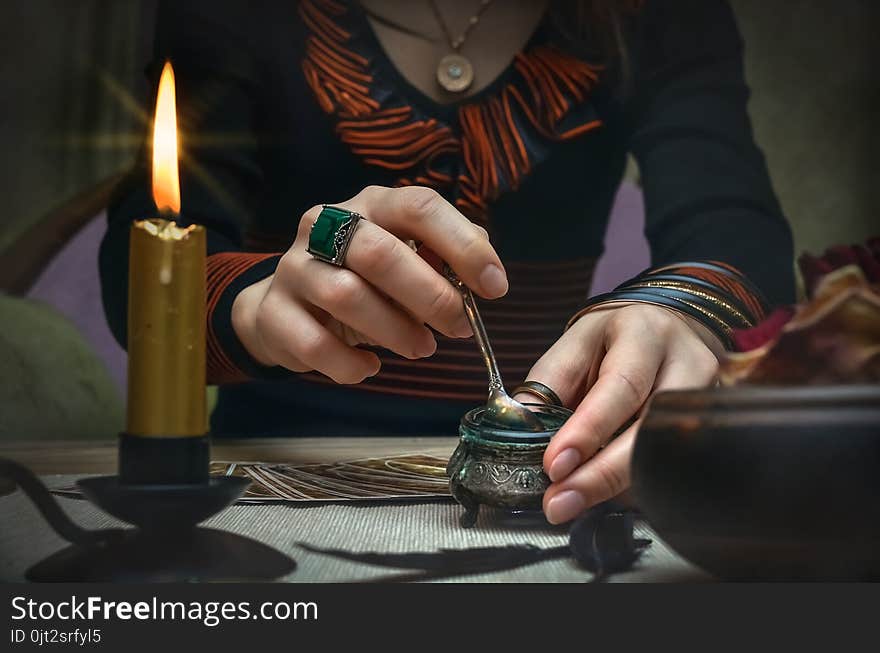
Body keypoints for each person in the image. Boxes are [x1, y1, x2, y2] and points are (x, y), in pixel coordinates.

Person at [100, 0, 795, 524]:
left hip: (553, 482)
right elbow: (149, 262)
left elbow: (736, 232)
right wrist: (255, 305)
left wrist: (681, 310)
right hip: (275, 482)